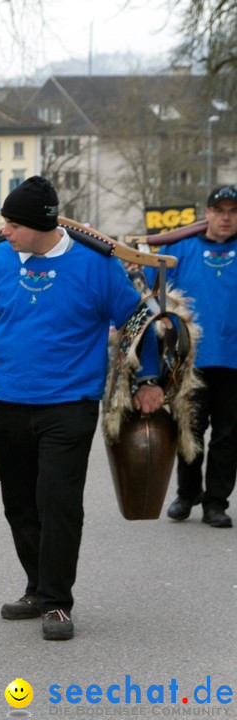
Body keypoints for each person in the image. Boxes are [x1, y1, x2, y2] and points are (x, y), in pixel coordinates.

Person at [0, 176, 164, 641]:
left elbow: (140, 319)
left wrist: (148, 378)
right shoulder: (0, 260)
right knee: (19, 504)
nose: (4, 231)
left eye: (13, 223)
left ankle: (58, 602)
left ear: (40, 225)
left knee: (58, 502)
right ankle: (36, 588)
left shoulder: (97, 266)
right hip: (8, 402)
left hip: (69, 405)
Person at [161, 185, 237, 528]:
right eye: (219, 210)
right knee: (188, 429)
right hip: (191, 359)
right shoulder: (181, 248)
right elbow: (154, 292)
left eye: (233, 211)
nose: (226, 217)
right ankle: (186, 493)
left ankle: (216, 502)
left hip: (233, 360)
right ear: (207, 212)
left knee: (227, 434)